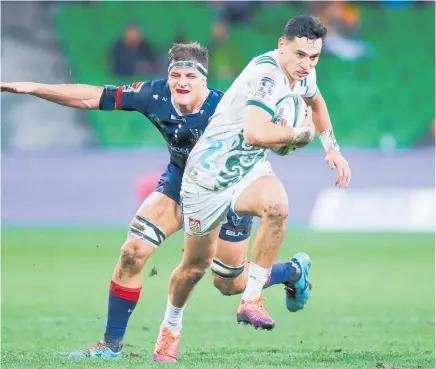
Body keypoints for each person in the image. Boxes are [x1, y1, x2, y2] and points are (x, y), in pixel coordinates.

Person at [1, 42, 311, 360]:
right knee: (132, 253)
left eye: (191, 75)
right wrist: (34, 88)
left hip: (227, 189)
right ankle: (111, 346)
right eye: (176, 74)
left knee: (228, 284)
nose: (182, 82)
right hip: (179, 185)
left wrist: (295, 134)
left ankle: (291, 271)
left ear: (205, 80)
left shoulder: (226, 108)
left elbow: (262, 134)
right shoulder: (155, 94)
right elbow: (91, 96)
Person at [153, 16, 351, 363]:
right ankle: (170, 329)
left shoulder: (303, 74)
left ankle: (253, 300)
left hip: (248, 171)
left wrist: (331, 148)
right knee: (207, 273)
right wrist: (297, 135)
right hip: (207, 177)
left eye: (314, 57)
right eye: (301, 55)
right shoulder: (267, 76)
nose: (306, 64)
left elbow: (315, 102)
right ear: (282, 45)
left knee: (277, 207)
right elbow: (256, 134)